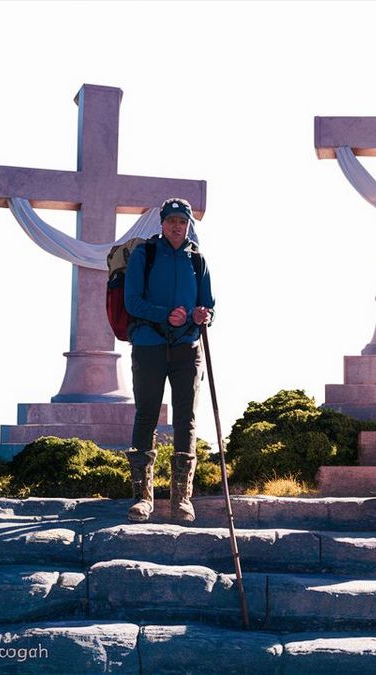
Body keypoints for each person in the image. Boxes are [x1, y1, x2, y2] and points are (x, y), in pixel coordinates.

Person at [124, 197, 215, 523]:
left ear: (189, 224)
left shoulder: (197, 258)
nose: (177, 226)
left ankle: (182, 500)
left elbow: (209, 305)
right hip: (148, 344)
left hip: (187, 348)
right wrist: (167, 316)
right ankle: (142, 498)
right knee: (146, 415)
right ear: (161, 223)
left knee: (186, 418)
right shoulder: (143, 255)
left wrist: (203, 314)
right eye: (171, 220)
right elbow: (132, 302)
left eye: (182, 221)